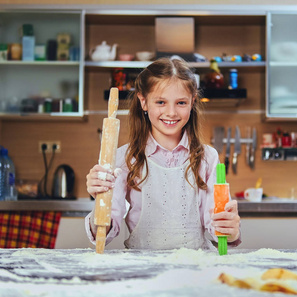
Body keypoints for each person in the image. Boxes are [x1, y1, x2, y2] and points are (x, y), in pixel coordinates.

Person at [85, 57, 241, 250]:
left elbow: (217, 227)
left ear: (192, 102)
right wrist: (100, 202)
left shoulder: (207, 157)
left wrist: (229, 230)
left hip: (196, 266)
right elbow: (106, 230)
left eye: (181, 103)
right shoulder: (124, 158)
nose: (171, 112)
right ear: (143, 102)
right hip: (143, 269)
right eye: (160, 102)